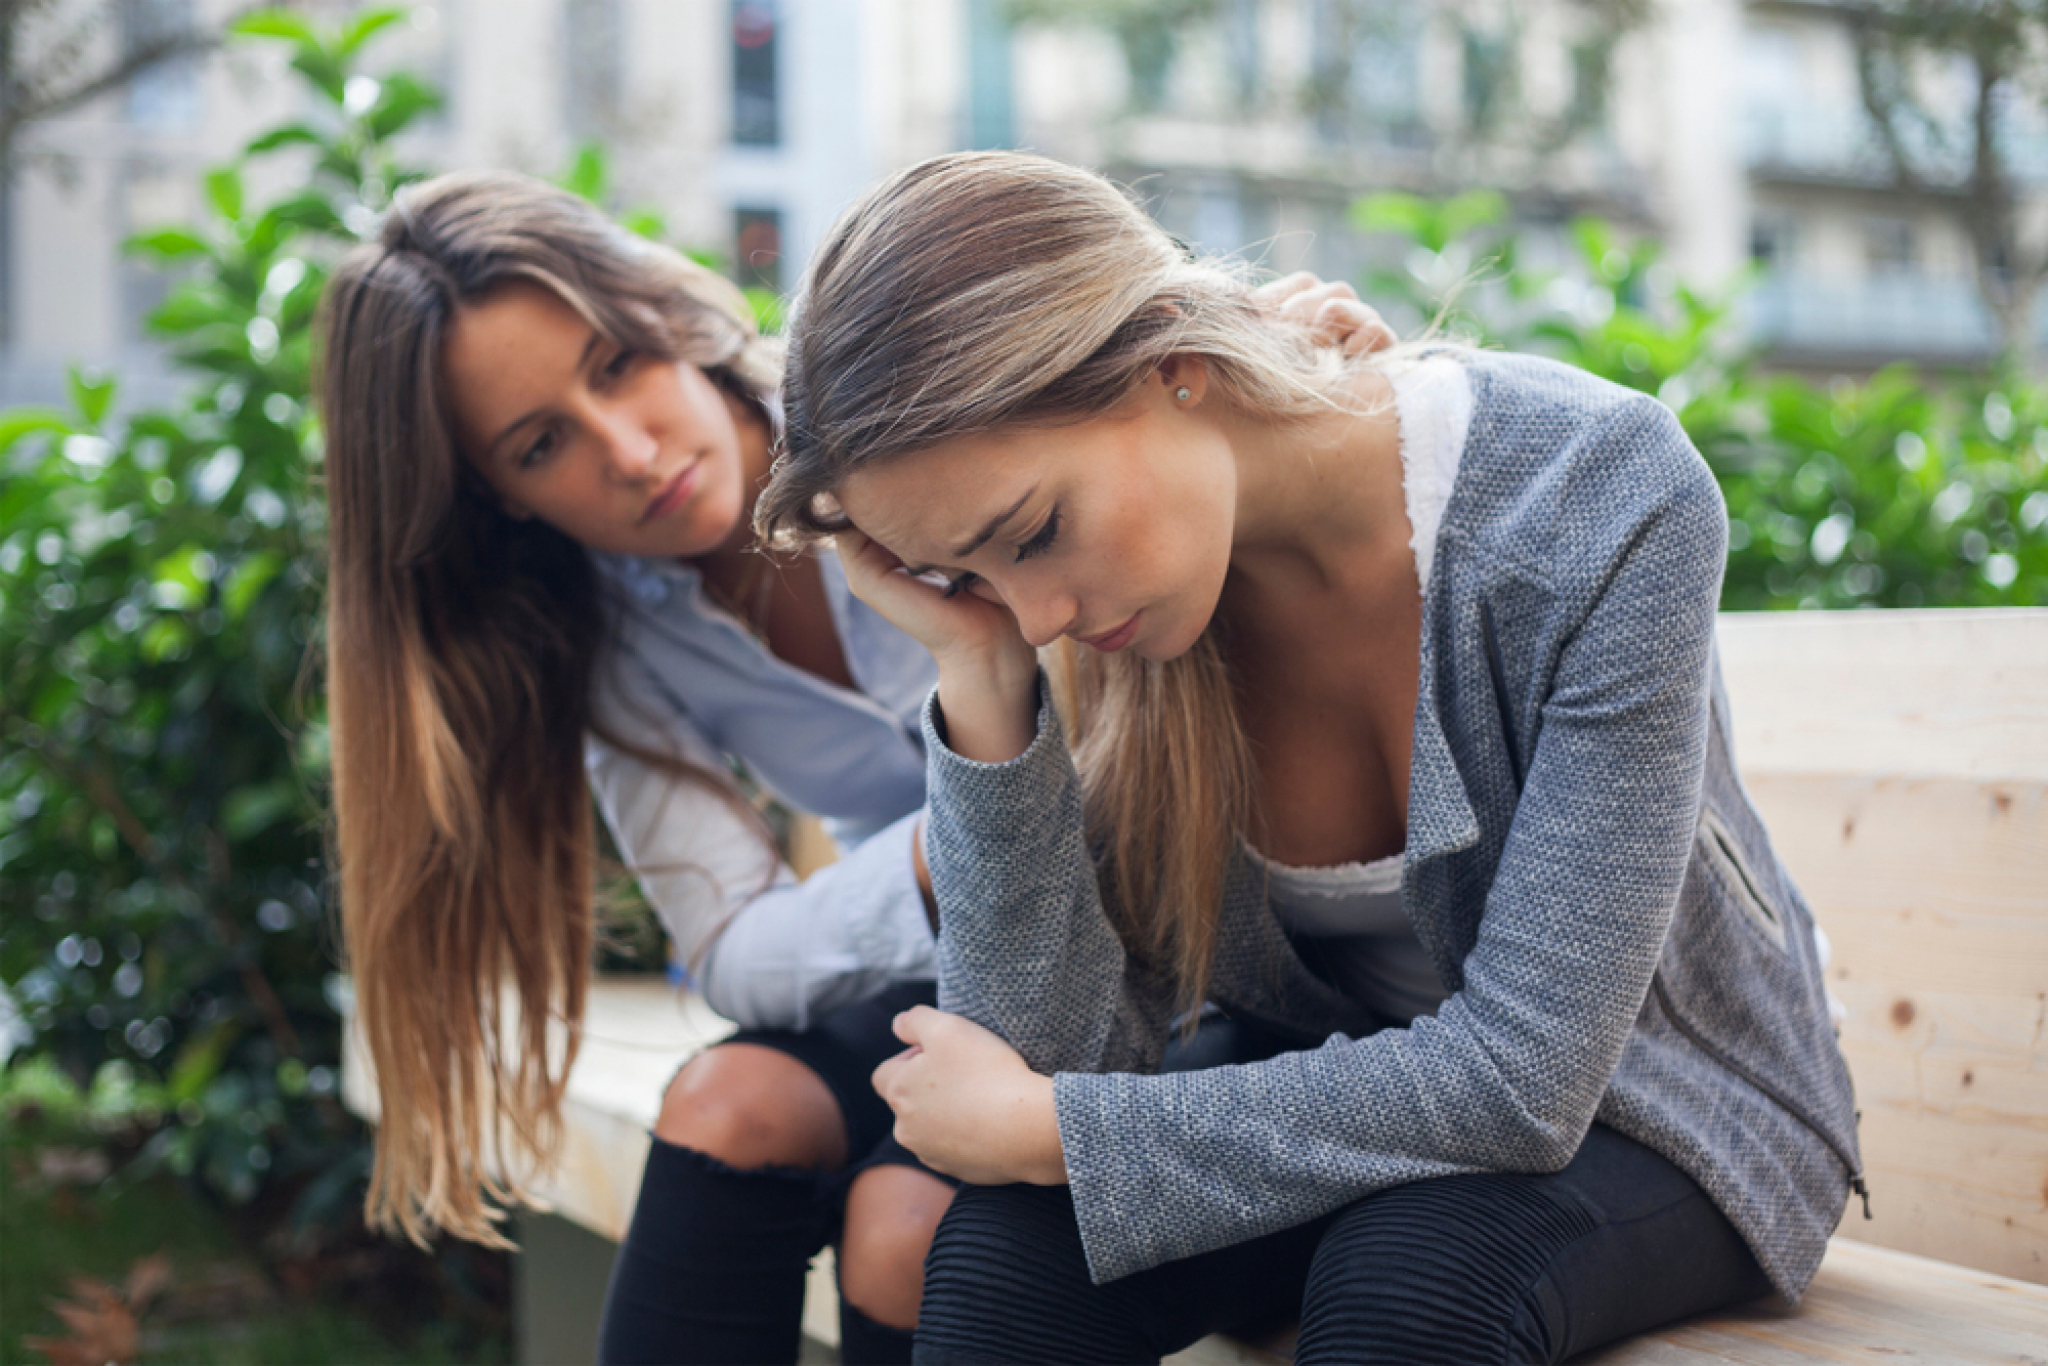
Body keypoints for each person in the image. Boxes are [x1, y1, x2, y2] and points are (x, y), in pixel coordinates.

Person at [755, 151, 1866, 1366]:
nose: (1034, 616)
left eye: (1030, 535)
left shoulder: (1592, 493)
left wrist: (1062, 1133)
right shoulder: (1103, 622)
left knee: (1410, 1277)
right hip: (1329, 1082)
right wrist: (981, 689)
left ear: (1171, 359)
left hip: (1659, 1105)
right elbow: (1039, 1065)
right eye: (968, 576)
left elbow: (1525, 1080)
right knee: (1004, 1253)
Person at [317, 168, 1386, 1366]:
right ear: (496, 499)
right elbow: (731, 950)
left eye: (614, 361)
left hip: (1163, 956)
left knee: (904, 1224)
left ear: (659, 312)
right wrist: (946, 856)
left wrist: (1280, 375)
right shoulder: (612, 638)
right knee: (729, 1107)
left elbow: (1161, 415)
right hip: (961, 955)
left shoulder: (911, 424)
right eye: (540, 443)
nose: (625, 448)